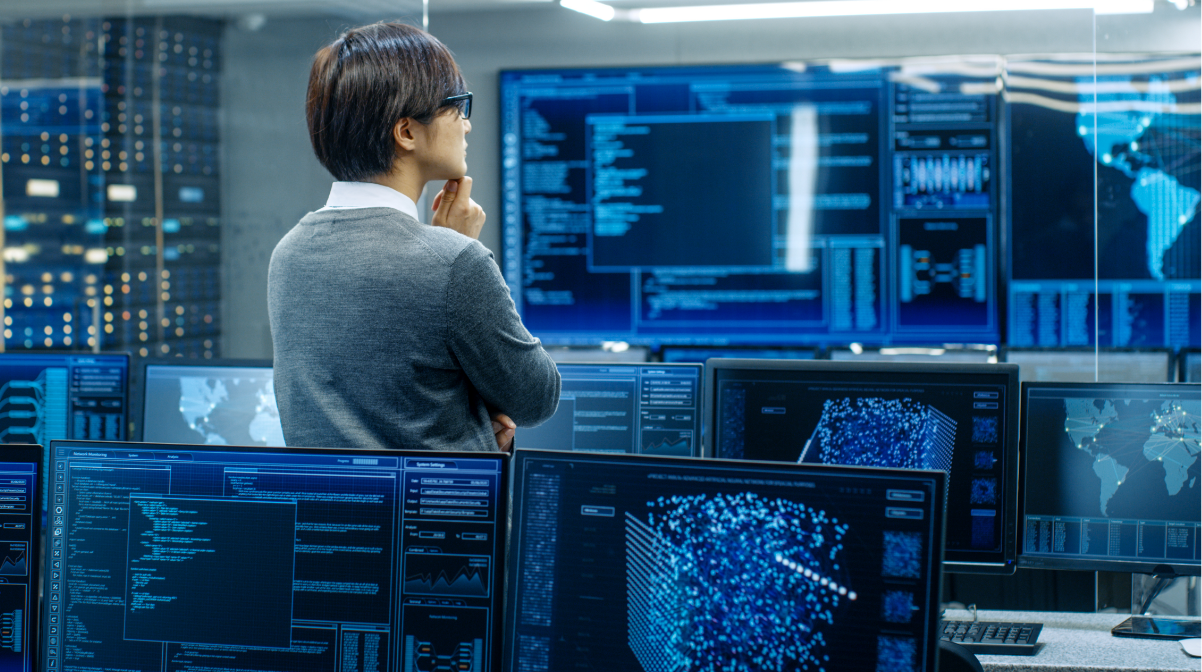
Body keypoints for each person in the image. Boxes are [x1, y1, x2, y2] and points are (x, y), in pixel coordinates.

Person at [268, 21, 560, 452]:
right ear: (406, 132)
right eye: (457, 107)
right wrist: (462, 251)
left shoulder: (288, 253)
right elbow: (536, 399)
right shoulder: (454, 263)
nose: (467, 125)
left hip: (328, 517)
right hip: (435, 516)